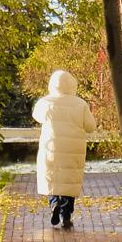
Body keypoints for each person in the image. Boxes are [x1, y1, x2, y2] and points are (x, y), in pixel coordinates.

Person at [30, 69, 96, 229]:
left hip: (51, 145)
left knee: (52, 177)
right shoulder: (80, 104)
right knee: (69, 179)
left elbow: (36, 116)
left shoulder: (46, 102)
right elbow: (90, 127)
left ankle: (54, 203)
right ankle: (66, 215)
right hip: (74, 148)